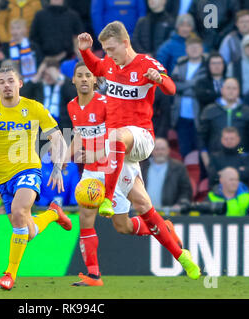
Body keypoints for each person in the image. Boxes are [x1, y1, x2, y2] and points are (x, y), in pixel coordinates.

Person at [77, 21, 200, 280]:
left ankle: (108, 197)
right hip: (118, 150)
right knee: (134, 215)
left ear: (125, 42)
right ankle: (181, 255)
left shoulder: (146, 64)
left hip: (141, 137)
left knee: (117, 137)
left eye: (111, 49)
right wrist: (86, 52)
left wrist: (160, 80)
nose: (108, 54)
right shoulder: (109, 64)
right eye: (105, 50)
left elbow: (171, 88)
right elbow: (96, 66)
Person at [66, 62, 183, 286]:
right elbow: (79, 135)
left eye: (87, 75)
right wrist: (62, 160)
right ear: (73, 80)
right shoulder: (72, 106)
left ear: (94, 80)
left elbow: (115, 136)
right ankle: (93, 275)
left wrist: (95, 153)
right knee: (86, 219)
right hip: (91, 170)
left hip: (114, 168)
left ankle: (160, 228)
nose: (83, 79)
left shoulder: (105, 104)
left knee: (123, 226)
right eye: (79, 75)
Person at [0, 66, 72, 290]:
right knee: (27, 230)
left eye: (11, 81)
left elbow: (57, 137)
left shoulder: (34, 108)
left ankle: (9, 275)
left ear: (20, 84)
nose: (6, 85)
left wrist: (57, 166)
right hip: (3, 178)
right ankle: (53, 214)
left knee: (19, 210)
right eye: (2, 81)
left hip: (29, 169)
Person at [198, 78, 249, 168]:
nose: (231, 91)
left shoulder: (247, 111)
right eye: (228, 88)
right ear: (222, 90)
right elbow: (201, 137)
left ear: (239, 91)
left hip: (240, 152)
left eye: (234, 88)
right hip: (215, 155)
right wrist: (205, 158)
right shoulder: (210, 110)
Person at [171, 35, 207, 158]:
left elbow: (201, 90)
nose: (194, 49)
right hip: (181, 115)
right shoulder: (180, 64)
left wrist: (184, 86)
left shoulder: (206, 66)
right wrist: (192, 85)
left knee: (200, 152)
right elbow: (174, 87)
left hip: (200, 115)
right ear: (186, 49)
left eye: (197, 47)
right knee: (184, 152)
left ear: (202, 49)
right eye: (191, 47)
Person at [21, 58, 77, 131]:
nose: (47, 77)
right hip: (41, 129)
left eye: (50, 74)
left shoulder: (66, 84)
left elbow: (74, 98)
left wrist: (58, 79)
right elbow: (22, 95)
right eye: (44, 74)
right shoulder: (38, 86)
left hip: (64, 128)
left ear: (58, 71)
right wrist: (38, 75)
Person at [141, 138, 192, 208]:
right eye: (157, 149)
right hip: (144, 212)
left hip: (171, 213)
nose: (160, 152)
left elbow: (186, 190)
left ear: (168, 150)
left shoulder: (179, 167)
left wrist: (180, 204)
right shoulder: (142, 167)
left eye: (163, 149)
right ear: (151, 151)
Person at [2, 18, 41, 83]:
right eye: (12, 28)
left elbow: (39, 61)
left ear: (25, 30)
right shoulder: (7, 47)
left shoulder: (33, 46)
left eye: (18, 28)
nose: (15, 31)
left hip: (33, 79)